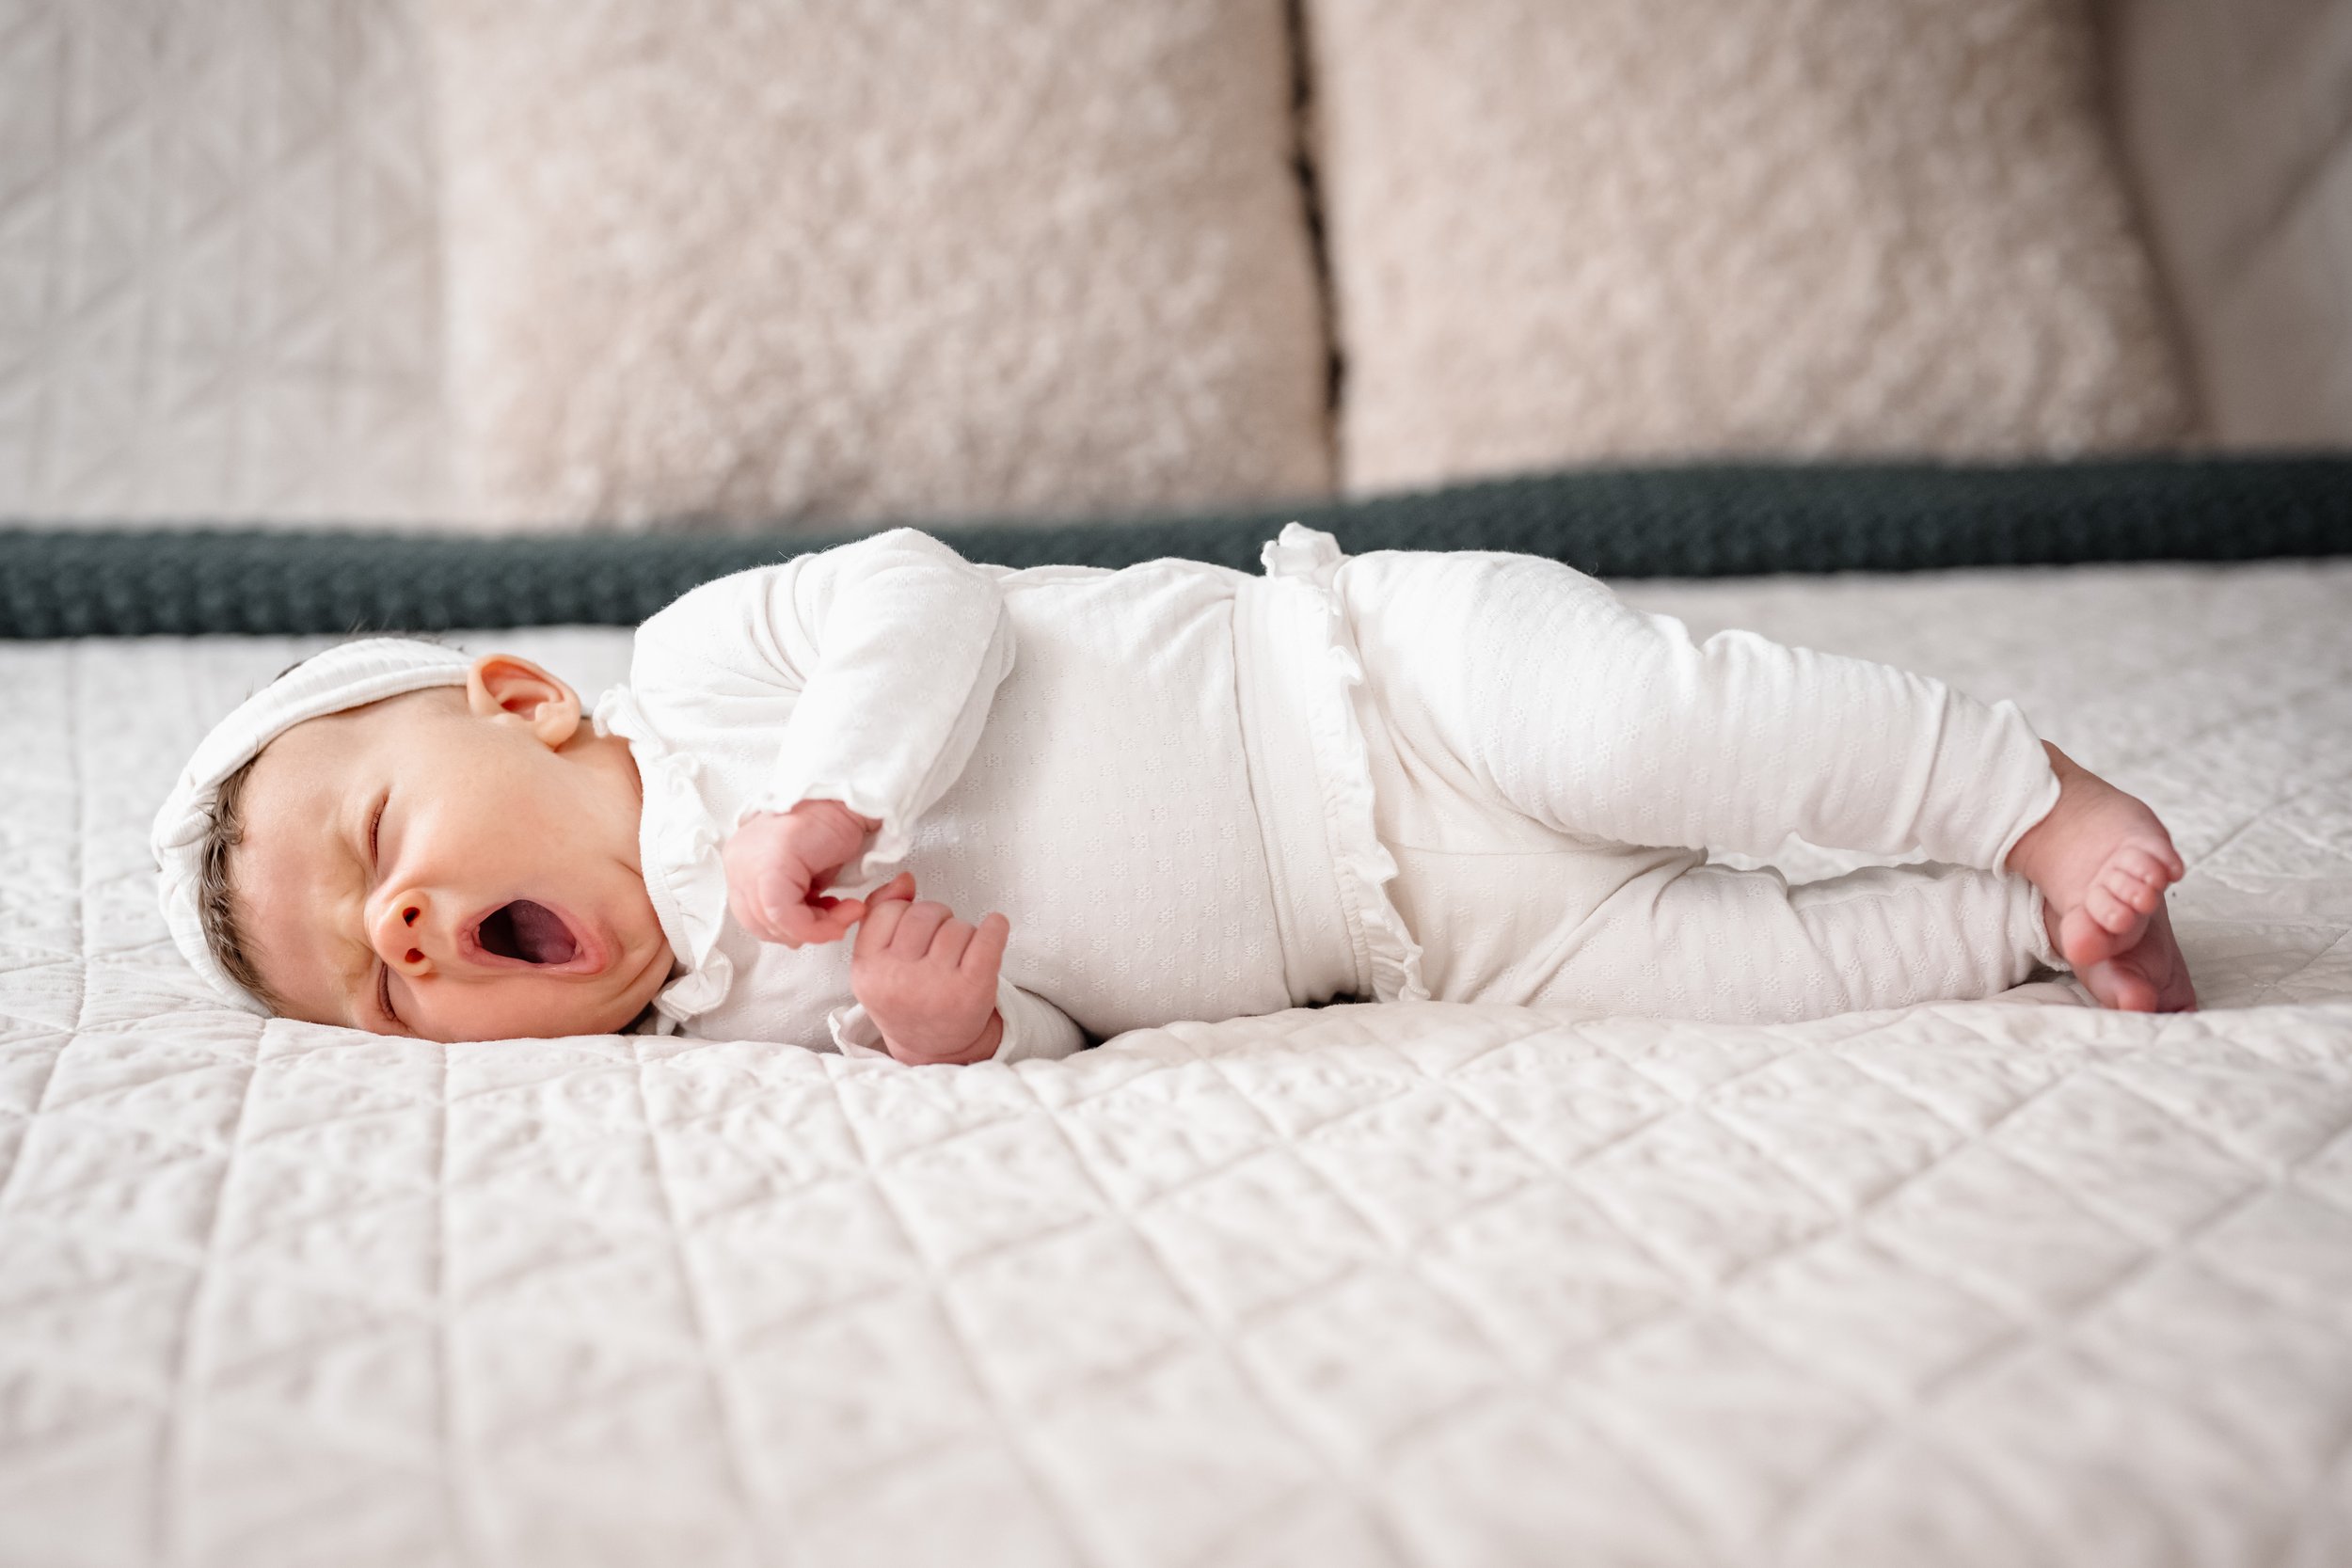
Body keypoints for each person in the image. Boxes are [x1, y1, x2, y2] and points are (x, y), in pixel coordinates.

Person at [151, 525, 2196, 1062]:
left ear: (516, 705)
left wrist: (836, 803)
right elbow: (1053, 1013)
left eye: (374, 855)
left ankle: (2014, 794)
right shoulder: (734, 1022)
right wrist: (947, 1034)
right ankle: (2025, 924)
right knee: (1720, 978)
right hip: (1419, 937)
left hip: (1375, 694)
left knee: (1667, 725)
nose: (409, 934)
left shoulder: (697, 677)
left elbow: (927, 603)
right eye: (386, 986)